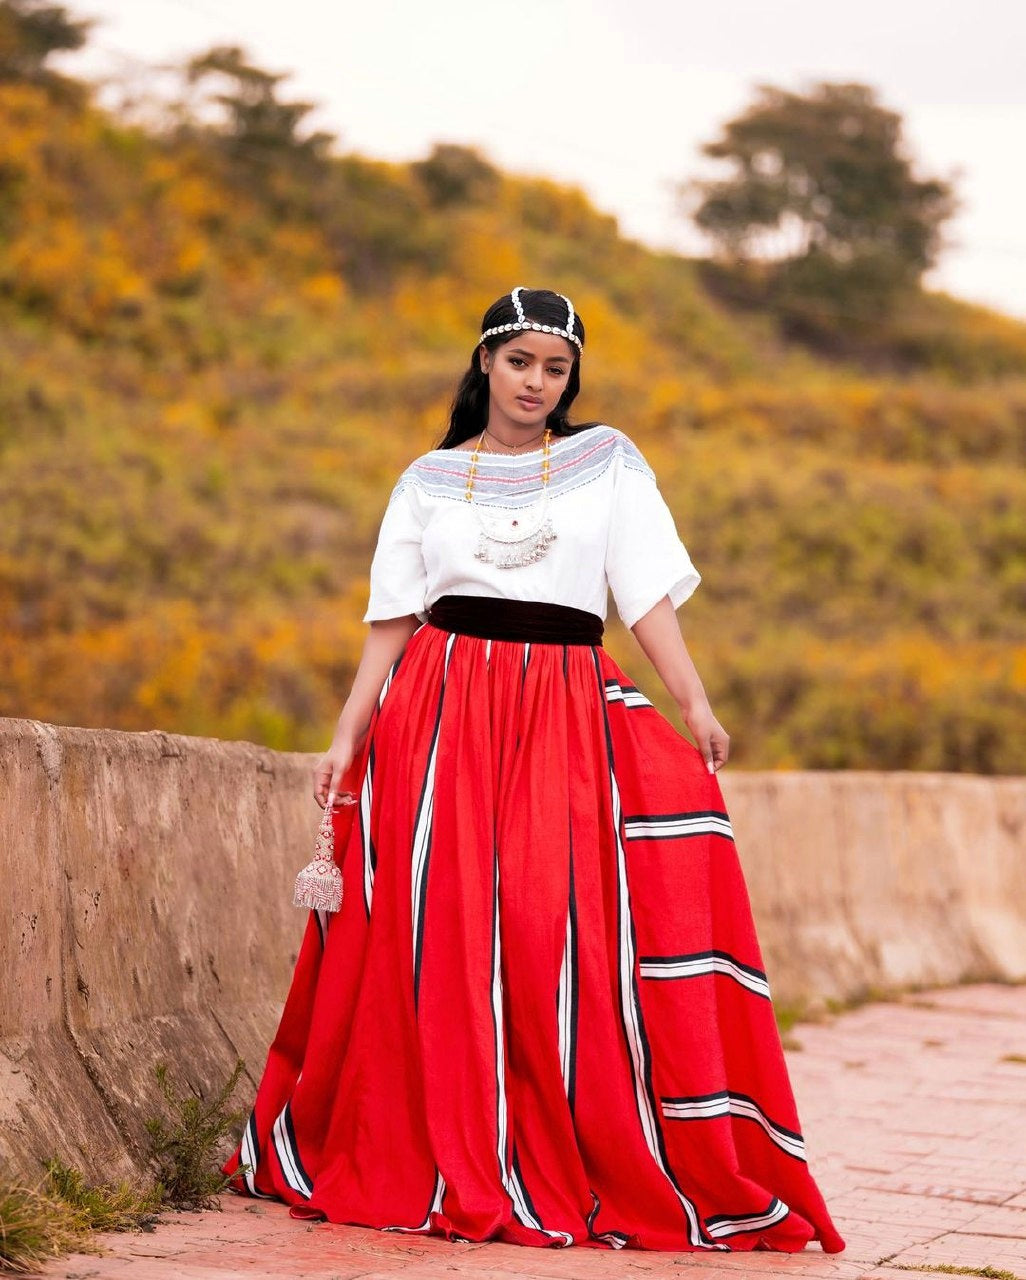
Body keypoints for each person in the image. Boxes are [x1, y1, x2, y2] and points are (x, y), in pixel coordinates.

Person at [223, 286, 845, 1254]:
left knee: (551, 927)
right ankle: (437, 1138)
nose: (537, 384)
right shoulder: (428, 479)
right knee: (443, 923)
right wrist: (350, 730)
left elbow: (645, 596)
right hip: (437, 710)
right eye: (520, 362)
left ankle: (546, 1138)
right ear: (484, 362)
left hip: (560, 707)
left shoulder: (608, 462)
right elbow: (395, 614)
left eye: (556, 369)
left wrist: (693, 699)